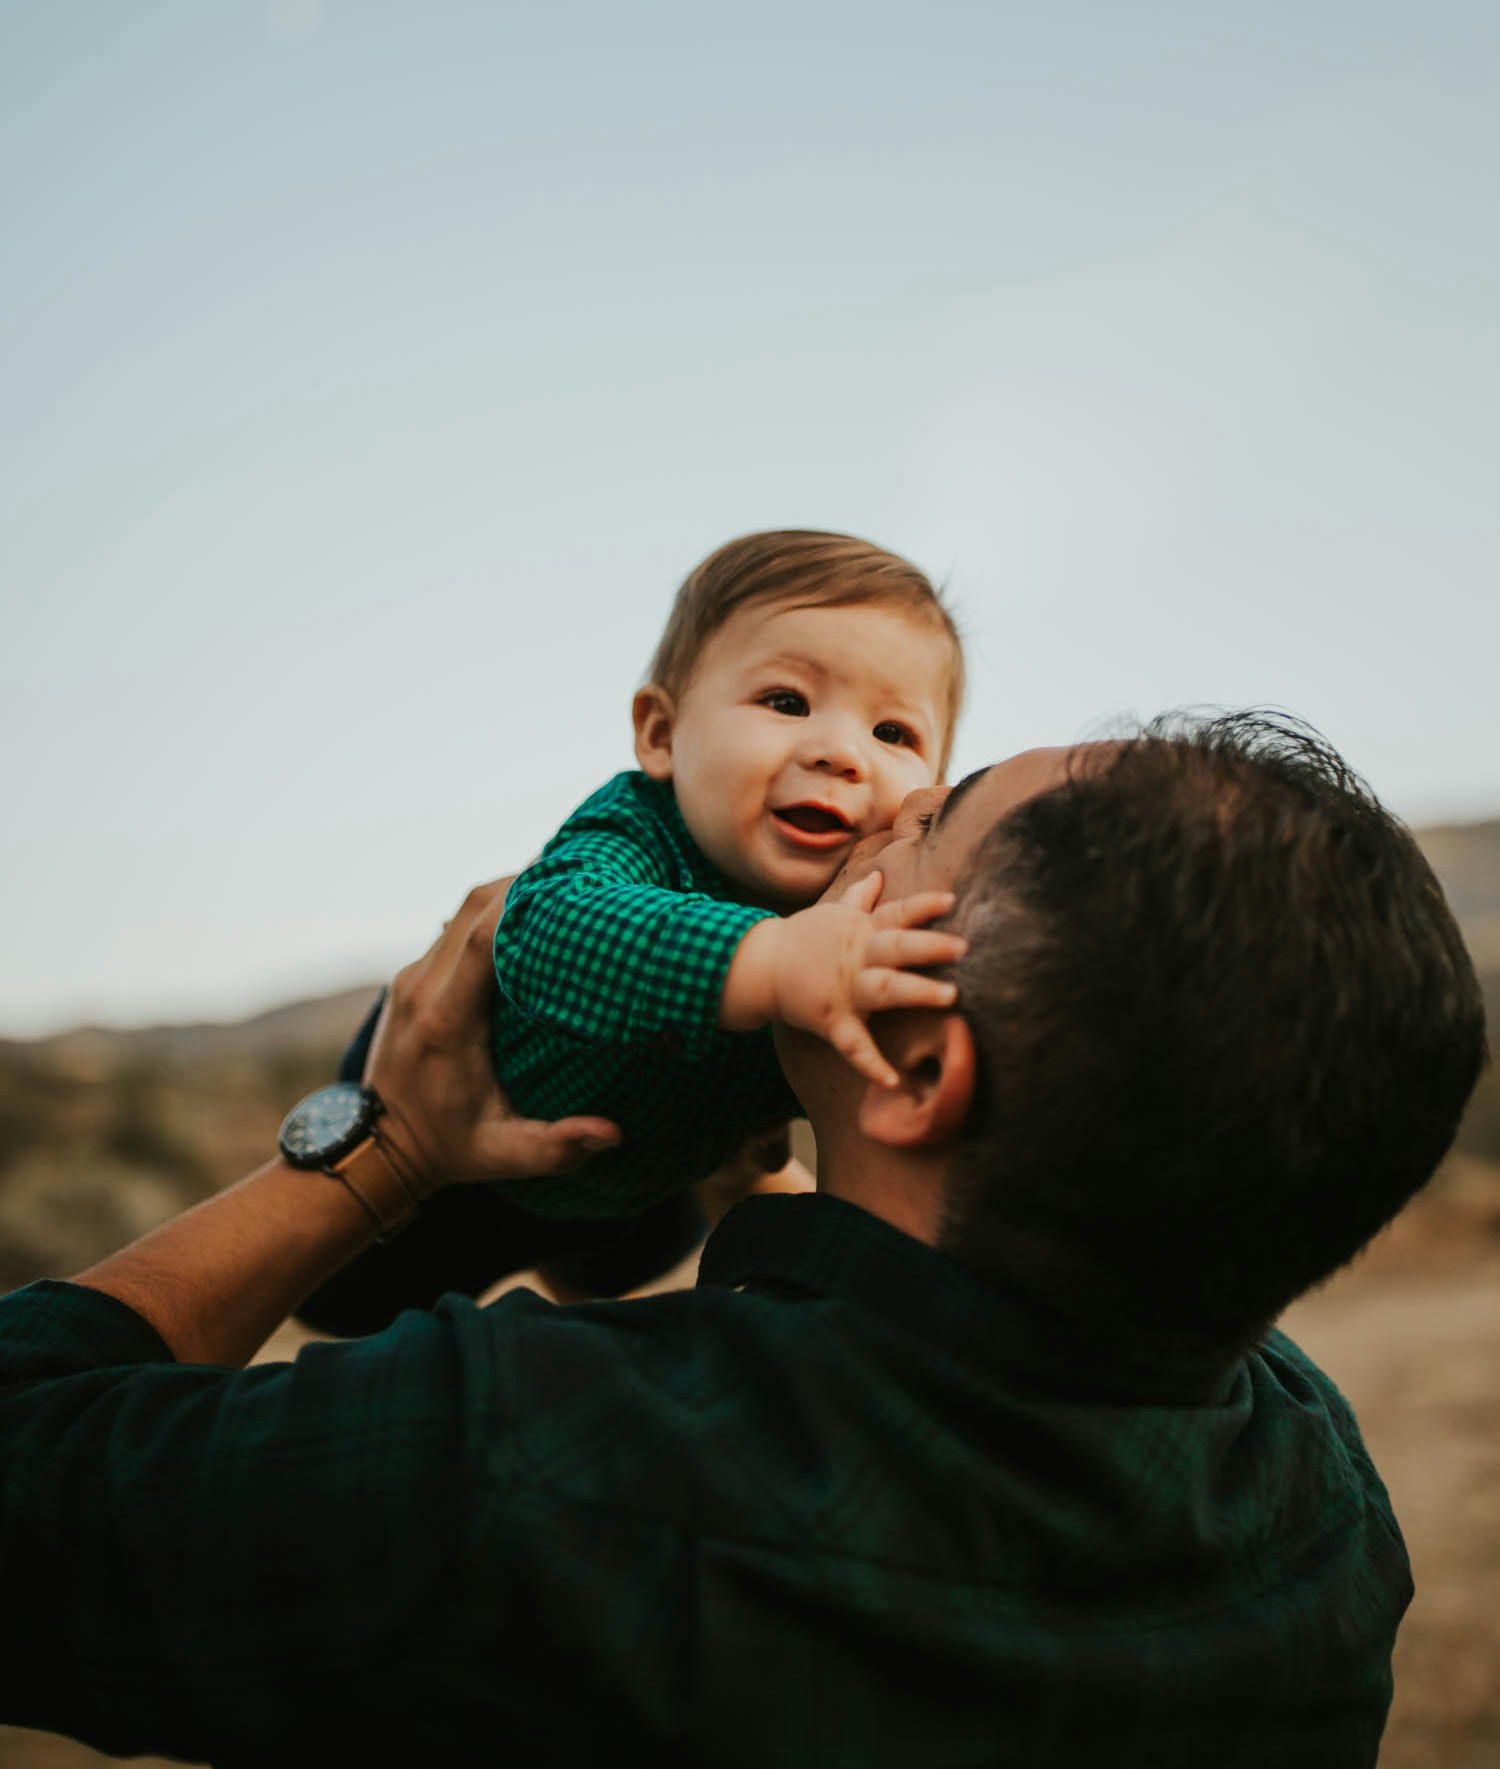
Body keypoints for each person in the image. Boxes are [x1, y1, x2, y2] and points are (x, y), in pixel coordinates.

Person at [0, 713, 1486, 1767]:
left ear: (915, 1067)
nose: (873, 811)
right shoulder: (1319, 1503)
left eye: (925, 820)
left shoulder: (532, 1466)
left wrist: (374, 1149)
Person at [301, 527, 966, 1331]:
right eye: (787, 702)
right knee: (345, 1305)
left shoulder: (865, 905)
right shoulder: (641, 832)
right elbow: (547, 929)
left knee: (613, 1281)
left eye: (893, 734)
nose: (841, 753)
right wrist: (767, 957)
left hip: (649, 1181)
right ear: (661, 734)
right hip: (462, 1160)